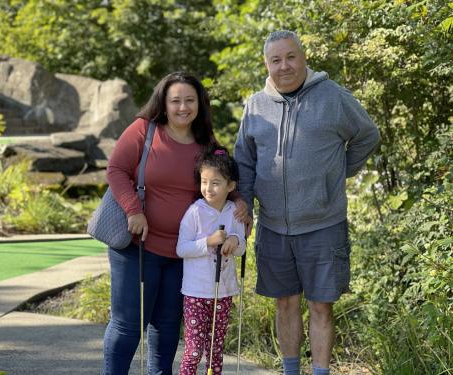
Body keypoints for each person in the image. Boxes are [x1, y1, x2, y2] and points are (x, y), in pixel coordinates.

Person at [234, 30, 380, 375]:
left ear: (303, 57)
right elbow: (245, 161)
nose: (284, 66)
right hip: (274, 227)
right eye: (275, 60)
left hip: (324, 224)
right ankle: (289, 371)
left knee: (321, 307)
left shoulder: (333, 97)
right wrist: (246, 207)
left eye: (291, 57)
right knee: (285, 304)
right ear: (267, 64)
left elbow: (368, 135)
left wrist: (336, 172)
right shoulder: (255, 106)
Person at [103, 71, 248, 375]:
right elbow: (116, 170)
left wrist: (240, 202)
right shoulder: (144, 130)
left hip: (183, 253)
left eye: (190, 100)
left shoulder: (206, 141)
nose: (183, 107)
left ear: (199, 104)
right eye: (176, 100)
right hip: (138, 245)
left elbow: (223, 178)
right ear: (164, 103)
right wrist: (133, 210)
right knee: (129, 324)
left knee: (167, 325)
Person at [176, 145, 246, 375]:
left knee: (215, 350)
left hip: (223, 292)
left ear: (231, 186)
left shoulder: (233, 211)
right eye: (204, 182)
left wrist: (235, 240)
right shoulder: (194, 212)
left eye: (215, 183)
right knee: (194, 350)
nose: (208, 188)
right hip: (197, 292)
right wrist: (208, 241)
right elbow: (181, 249)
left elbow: (241, 248)